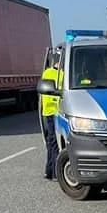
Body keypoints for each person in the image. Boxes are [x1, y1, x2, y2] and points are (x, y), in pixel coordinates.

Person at [39, 50, 63, 180]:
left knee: (51, 142)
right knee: (54, 143)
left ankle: (49, 171)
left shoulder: (49, 72)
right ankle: (54, 172)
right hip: (53, 112)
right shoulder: (54, 74)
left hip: (51, 112)